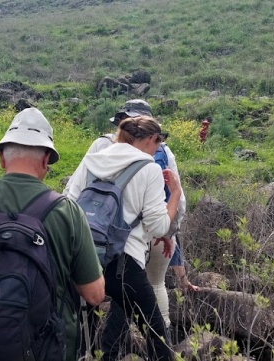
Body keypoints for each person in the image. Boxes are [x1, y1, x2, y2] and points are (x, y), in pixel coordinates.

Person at [0, 107, 105, 361]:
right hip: (46, 352)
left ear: (2, 157)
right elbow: (94, 295)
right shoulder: (67, 211)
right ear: (46, 159)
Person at [65, 115, 181, 361]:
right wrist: (175, 194)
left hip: (82, 256)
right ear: (151, 139)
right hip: (123, 262)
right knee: (156, 333)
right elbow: (158, 226)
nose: (159, 148)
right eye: (159, 142)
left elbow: (69, 201)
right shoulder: (148, 167)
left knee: (81, 333)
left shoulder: (92, 160)